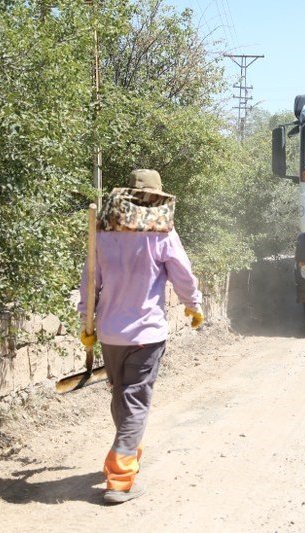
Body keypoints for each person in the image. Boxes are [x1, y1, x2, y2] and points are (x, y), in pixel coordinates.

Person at [78, 169, 204, 505]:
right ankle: (120, 479)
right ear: (156, 196)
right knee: (134, 401)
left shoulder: (103, 231)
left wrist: (86, 322)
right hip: (146, 334)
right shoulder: (162, 232)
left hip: (110, 334)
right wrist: (194, 305)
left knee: (122, 395)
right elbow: (183, 275)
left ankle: (128, 449)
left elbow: (89, 280)